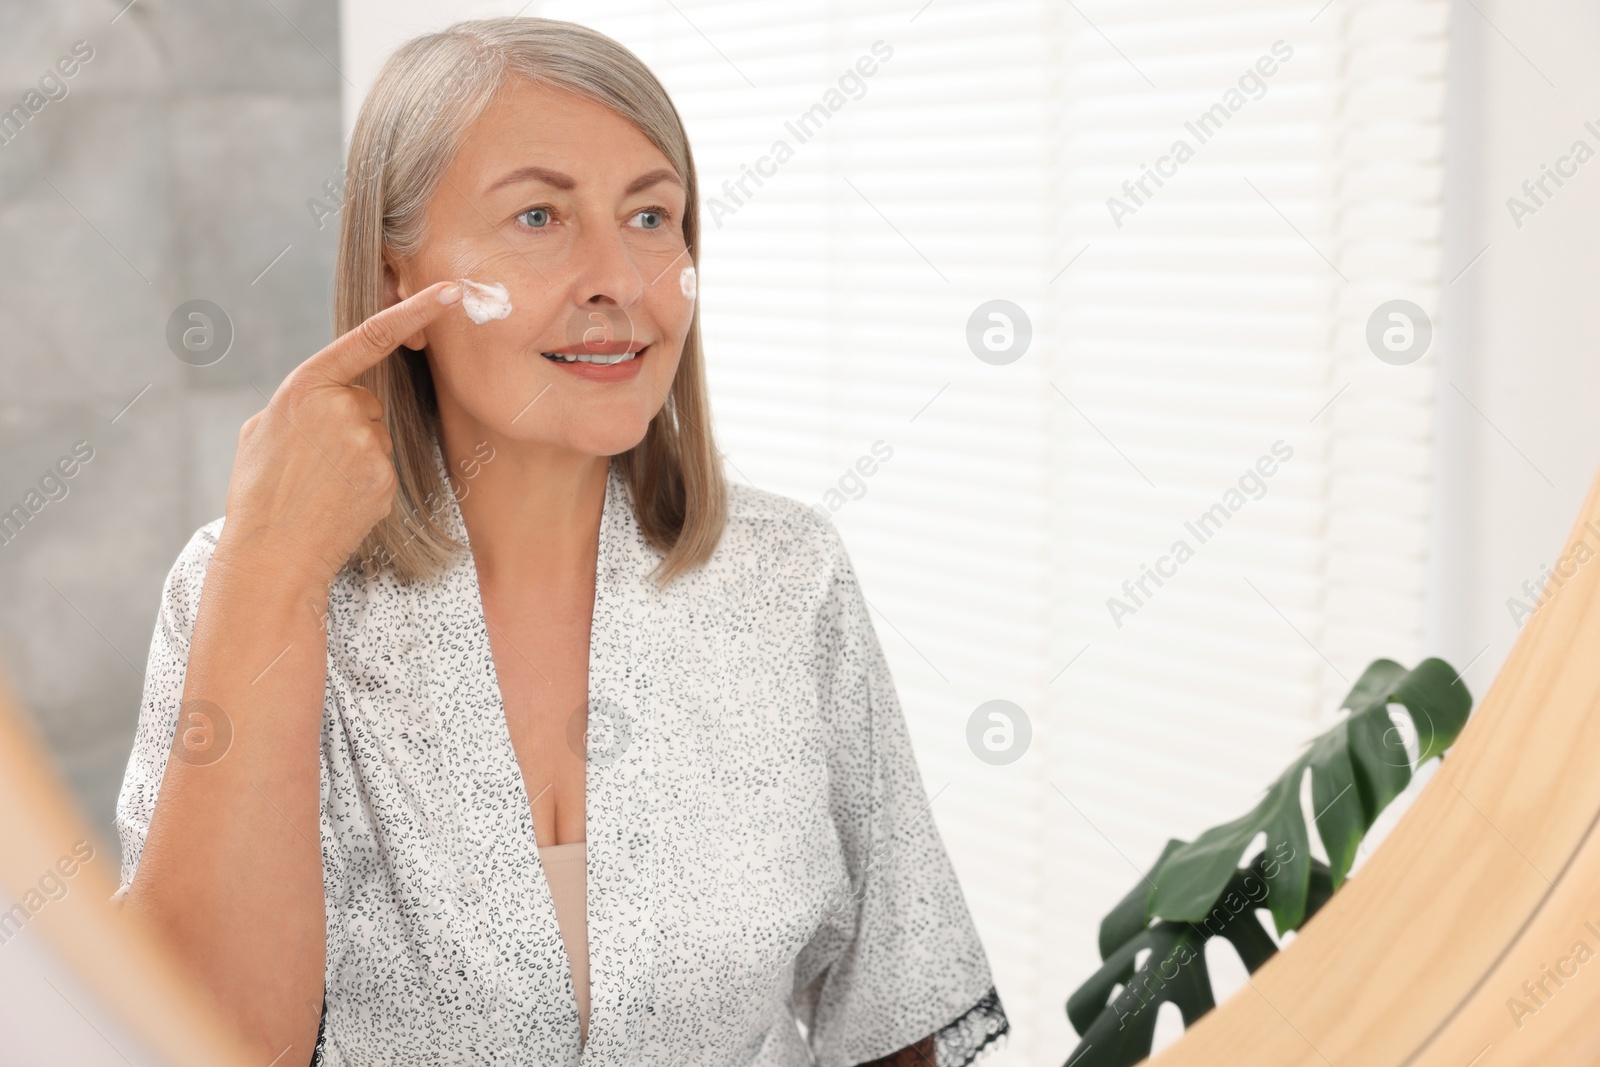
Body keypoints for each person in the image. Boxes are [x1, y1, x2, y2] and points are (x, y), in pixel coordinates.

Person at [112, 17, 1007, 1067]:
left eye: (649, 215)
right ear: (396, 268)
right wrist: (272, 565)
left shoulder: (788, 574)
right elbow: (194, 1041)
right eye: (538, 215)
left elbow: (897, 1014)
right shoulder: (249, 584)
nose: (617, 279)